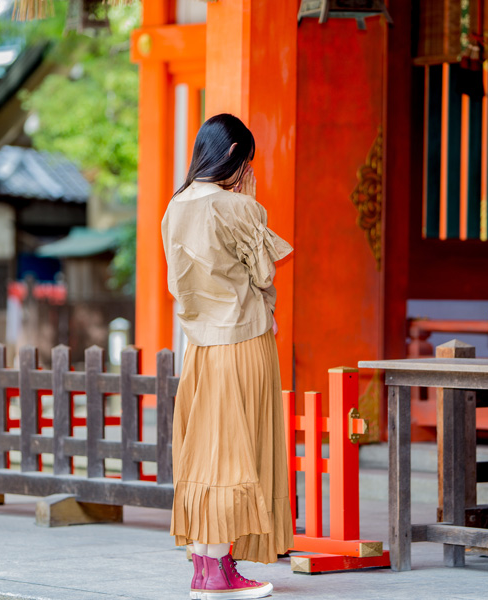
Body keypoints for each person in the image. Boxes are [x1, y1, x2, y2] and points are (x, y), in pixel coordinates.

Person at [162, 114, 294, 600]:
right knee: (238, 452)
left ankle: (206, 565)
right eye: (247, 161)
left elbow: (180, 285)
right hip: (243, 343)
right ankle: (218, 571)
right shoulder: (238, 208)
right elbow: (264, 273)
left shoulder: (174, 209)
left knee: (205, 452)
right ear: (236, 151)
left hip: (200, 348)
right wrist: (248, 197)